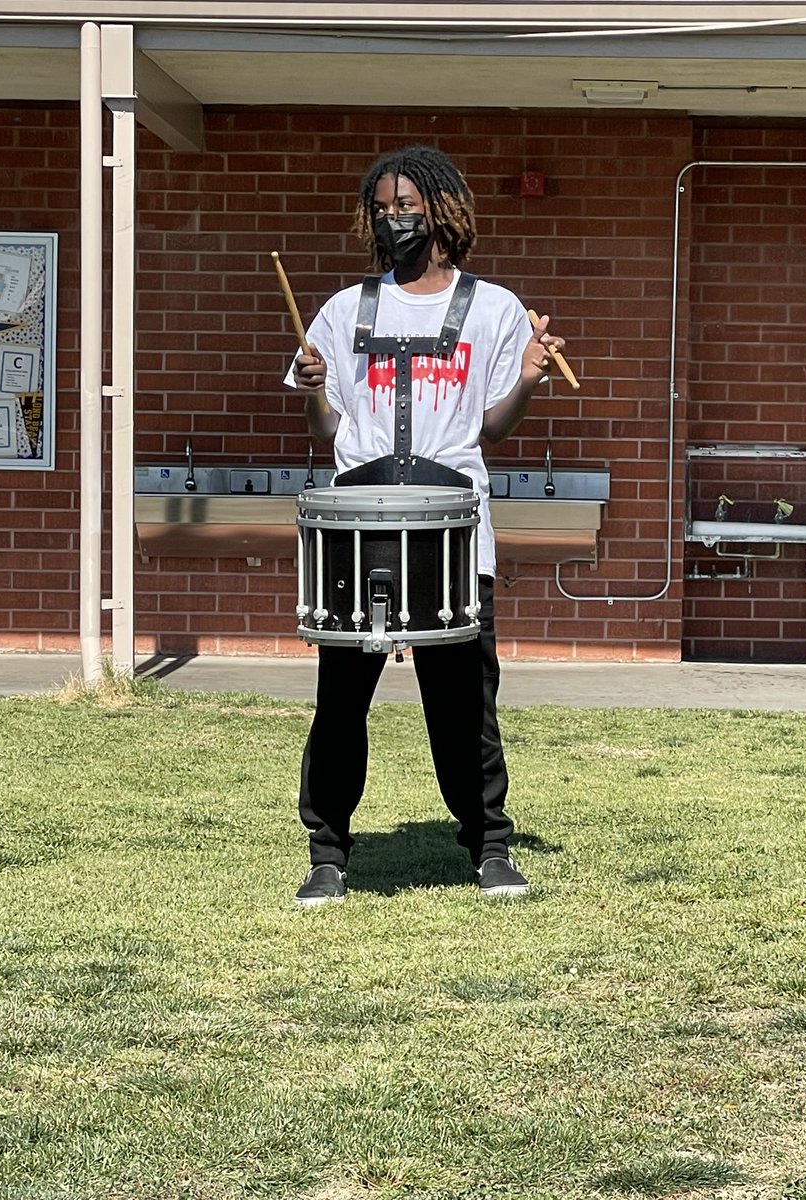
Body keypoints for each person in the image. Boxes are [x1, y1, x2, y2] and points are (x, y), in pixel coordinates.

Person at [287, 143, 564, 907]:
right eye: (381, 208)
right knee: (341, 699)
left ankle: (490, 846)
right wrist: (314, 387)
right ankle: (328, 855)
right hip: (359, 526)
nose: (391, 219)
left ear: (441, 210)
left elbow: (494, 430)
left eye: (404, 206)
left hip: (453, 525)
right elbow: (324, 428)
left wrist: (532, 379)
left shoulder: (497, 308)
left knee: (464, 702)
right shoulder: (343, 310)